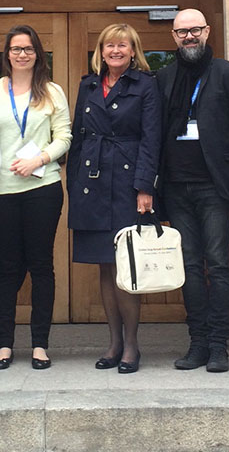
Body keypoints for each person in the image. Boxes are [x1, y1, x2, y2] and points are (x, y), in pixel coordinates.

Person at [156, 9, 229, 373]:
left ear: (207, 31)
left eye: (195, 29)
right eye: (182, 31)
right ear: (174, 36)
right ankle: (197, 342)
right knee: (190, 265)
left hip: (215, 186)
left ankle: (218, 345)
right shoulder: (164, 78)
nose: (189, 36)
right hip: (177, 186)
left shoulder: (228, 74)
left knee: (219, 263)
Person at [67, 23, 162, 374]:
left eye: (123, 45)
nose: (116, 50)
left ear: (134, 50)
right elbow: (79, 136)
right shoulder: (88, 84)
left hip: (127, 184)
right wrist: (73, 184)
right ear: (101, 51)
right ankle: (113, 343)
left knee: (126, 266)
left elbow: (152, 140)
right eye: (110, 45)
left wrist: (144, 188)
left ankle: (132, 345)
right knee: (105, 267)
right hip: (91, 183)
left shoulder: (146, 85)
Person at [0, 26, 72, 370]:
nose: (22, 54)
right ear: (6, 54)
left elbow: (64, 136)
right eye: (15, 48)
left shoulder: (52, 91)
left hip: (42, 188)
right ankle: (4, 345)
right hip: (2, 192)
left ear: (38, 53)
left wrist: (40, 158)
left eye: (28, 48)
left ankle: (40, 344)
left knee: (41, 267)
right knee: (5, 270)